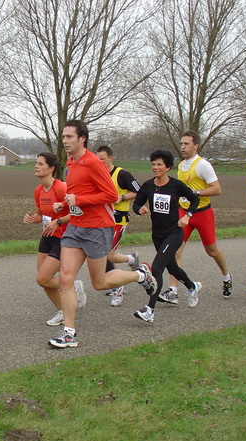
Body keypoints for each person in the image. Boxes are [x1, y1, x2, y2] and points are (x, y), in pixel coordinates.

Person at [47, 120, 158, 349]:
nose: (65, 141)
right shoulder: (70, 162)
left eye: (69, 137)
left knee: (100, 283)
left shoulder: (93, 162)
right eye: (63, 137)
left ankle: (141, 275)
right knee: (66, 277)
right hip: (75, 227)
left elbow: (110, 195)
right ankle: (69, 334)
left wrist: (81, 200)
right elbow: (77, 191)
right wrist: (64, 204)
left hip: (97, 227)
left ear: (82, 139)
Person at [159, 131, 232, 305]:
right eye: (182, 143)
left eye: (186, 144)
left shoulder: (203, 165)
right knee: (174, 250)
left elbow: (217, 189)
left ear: (196, 146)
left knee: (212, 251)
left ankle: (227, 277)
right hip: (184, 213)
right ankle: (173, 291)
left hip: (203, 213)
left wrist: (196, 193)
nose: (183, 147)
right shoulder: (182, 165)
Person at [132, 150, 202, 322]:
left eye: (159, 164)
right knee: (173, 268)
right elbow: (136, 204)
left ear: (168, 167)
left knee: (157, 268)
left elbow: (195, 200)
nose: (155, 167)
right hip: (157, 234)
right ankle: (192, 286)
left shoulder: (176, 185)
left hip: (174, 233)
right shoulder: (148, 185)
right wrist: (139, 209)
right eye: (154, 164)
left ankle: (150, 309)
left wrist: (187, 216)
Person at [23, 152, 87, 327]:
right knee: (43, 281)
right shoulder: (38, 190)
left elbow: (76, 213)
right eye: (36, 163)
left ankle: (72, 287)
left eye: (41, 164)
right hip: (47, 236)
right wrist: (32, 218)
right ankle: (62, 309)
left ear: (51, 168)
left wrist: (58, 221)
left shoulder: (61, 188)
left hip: (64, 238)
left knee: (43, 278)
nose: (36, 166)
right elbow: (40, 214)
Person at [95, 146, 142, 307]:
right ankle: (131, 259)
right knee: (105, 254)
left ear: (110, 158)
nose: (100, 162)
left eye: (102, 159)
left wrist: (121, 197)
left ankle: (118, 287)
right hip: (100, 220)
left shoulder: (122, 174)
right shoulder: (97, 175)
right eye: (97, 159)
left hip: (118, 220)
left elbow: (139, 191)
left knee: (106, 254)